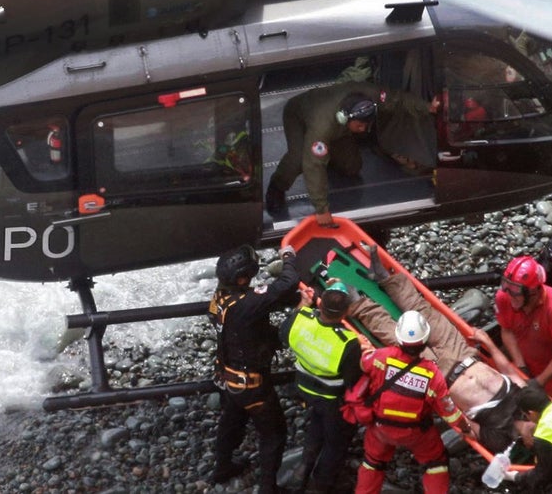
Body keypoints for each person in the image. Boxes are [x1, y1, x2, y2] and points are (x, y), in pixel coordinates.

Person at [347, 244, 525, 453]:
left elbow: (465, 427)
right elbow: (510, 371)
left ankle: (357, 304)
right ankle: (384, 277)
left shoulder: (500, 439)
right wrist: (489, 343)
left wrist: (438, 401)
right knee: (425, 313)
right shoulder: (531, 403)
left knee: (397, 336)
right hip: (465, 354)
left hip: (441, 377)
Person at [266, 82, 438, 226]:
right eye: (360, 126)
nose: (363, 129)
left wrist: (426, 107)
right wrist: (322, 209)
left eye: (366, 125)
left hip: (339, 130)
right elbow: (313, 165)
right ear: (345, 118)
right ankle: (276, 187)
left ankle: (331, 155)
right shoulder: (322, 127)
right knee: (298, 159)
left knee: (352, 167)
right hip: (298, 114)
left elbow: (398, 99)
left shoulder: (373, 96)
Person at [207, 243, 300, 492]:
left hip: (228, 377)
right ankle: (268, 487)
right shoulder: (246, 304)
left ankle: (222, 468)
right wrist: (289, 257)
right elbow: (287, 283)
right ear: (241, 278)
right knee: (274, 433)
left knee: (231, 422)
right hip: (252, 384)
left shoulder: (219, 299)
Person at [355, 310, 475, 494]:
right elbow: (447, 410)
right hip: (416, 433)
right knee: (436, 462)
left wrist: (366, 348)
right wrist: (465, 427)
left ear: (399, 338)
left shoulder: (382, 357)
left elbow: (364, 363)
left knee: (373, 462)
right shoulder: (432, 375)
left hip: (380, 428)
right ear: (425, 341)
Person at [281, 280, 362, 493]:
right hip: (331, 399)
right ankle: (321, 484)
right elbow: (352, 379)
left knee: (316, 422)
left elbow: (284, 334)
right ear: (345, 312)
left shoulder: (302, 320)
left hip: (305, 388)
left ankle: (303, 467)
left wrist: (302, 305)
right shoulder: (348, 342)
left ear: (320, 305)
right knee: (335, 443)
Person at [495, 256, 552, 398]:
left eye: (515, 290)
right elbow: (507, 330)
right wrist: (521, 367)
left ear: (533, 291)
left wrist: (538, 382)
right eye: (506, 285)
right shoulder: (504, 297)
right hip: (526, 365)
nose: (509, 294)